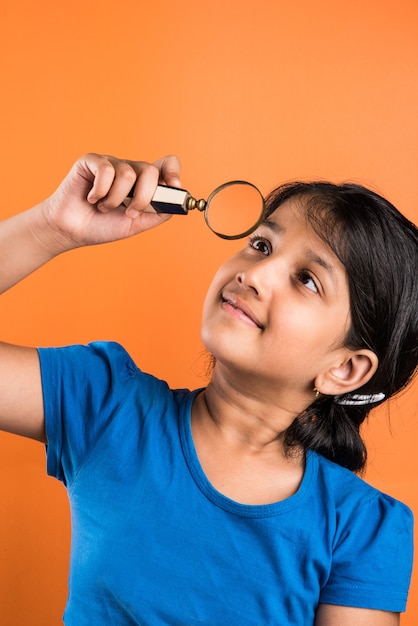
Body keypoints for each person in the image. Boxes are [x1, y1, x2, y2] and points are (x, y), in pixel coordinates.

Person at [0, 153, 417, 626]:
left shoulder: (362, 528)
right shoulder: (106, 402)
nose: (253, 274)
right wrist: (52, 228)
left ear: (344, 370)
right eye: (261, 245)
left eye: (307, 279)